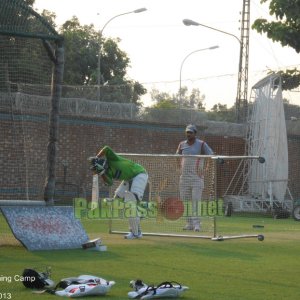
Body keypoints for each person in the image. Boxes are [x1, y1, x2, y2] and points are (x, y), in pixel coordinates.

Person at [90, 145, 148, 239]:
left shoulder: (112, 159)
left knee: (130, 204)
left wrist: (97, 157)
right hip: (128, 179)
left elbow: (107, 148)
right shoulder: (106, 172)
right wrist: (101, 173)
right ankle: (140, 215)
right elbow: (109, 183)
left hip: (139, 174)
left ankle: (135, 233)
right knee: (117, 199)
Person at [176, 124, 213, 231]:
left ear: (195, 133)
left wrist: (206, 169)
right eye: (187, 132)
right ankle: (189, 224)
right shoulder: (182, 144)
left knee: (196, 201)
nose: (188, 134)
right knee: (185, 201)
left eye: (190, 132)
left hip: (197, 177)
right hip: (184, 178)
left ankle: (197, 225)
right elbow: (176, 156)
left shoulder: (202, 144)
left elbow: (211, 156)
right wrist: (178, 167)